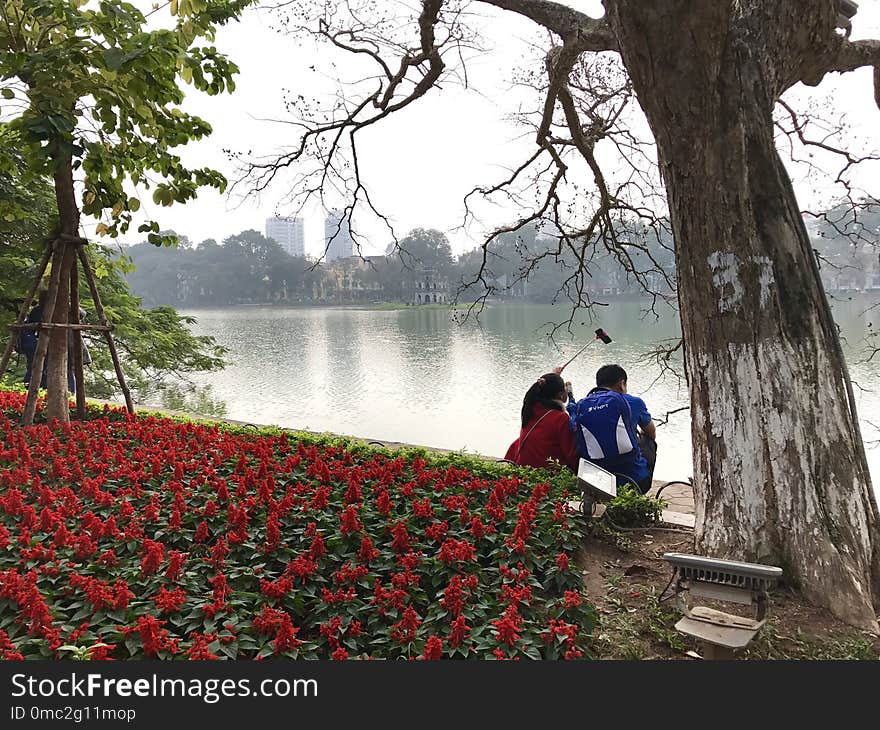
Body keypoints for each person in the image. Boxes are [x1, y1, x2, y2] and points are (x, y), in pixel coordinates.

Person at [567, 364, 657, 494]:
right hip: (636, 481)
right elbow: (651, 432)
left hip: (599, 483)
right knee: (648, 441)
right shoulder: (634, 402)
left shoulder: (582, 406)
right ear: (622, 384)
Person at [505, 372, 580, 472]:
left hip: (524, 470)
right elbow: (572, 455)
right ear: (560, 394)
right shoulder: (560, 418)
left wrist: (554, 376)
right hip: (546, 474)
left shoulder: (531, 409)